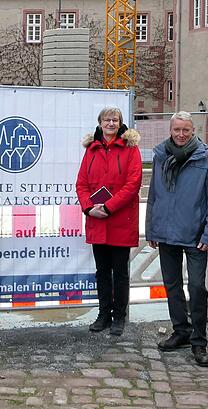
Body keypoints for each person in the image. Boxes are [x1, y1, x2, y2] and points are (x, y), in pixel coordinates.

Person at [146, 111, 208, 367]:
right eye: (177, 129)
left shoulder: (206, 158)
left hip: (195, 235)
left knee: (197, 288)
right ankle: (181, 331)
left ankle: (199, 341)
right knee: (172, 285)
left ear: (193, 131)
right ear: (171, 130)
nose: (181, 134)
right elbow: (154, 195)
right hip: (166, 232)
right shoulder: (160, 156)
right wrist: (151, 229)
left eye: (186, 130)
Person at [76, 107, 142, 336]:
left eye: (115, 120)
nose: (111, 123)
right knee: (102, 271)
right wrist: (88, 207)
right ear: (100, 123)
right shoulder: (91, 149)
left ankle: (119, 317)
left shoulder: (130, 149)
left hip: (120, 219)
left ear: (120, 123)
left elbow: (133, 183)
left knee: (120, 272)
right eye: (107, 120)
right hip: (97, 220)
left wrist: (108, 206)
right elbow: (81, 183)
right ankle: (103, 314)